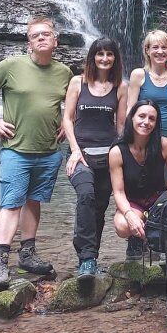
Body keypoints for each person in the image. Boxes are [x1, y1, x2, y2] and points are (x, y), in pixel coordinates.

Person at [0, 16, 74, 291]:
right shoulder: (11, 66)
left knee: (34, 200)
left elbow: (72, 102)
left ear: (56, 40)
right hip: (16, 150)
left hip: (50, 152)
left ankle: (27, 254)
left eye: (46, 34)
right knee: (11, 203)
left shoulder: (64, 72)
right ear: (29, 42)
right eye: (35, 35)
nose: (41, 38)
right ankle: (1, 260)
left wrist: (68, 123)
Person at [63, 37, 128, 279]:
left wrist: (122, 156)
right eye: (100, 54)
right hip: (81, 155)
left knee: (99, 207)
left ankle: (91, 260)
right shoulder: (77, 82)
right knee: (86, 196)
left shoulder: (120, 87)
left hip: (108, 156)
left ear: (115, 58)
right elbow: (67, 119)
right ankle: (86, 258)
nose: (104, 58)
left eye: (109, 54)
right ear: (92, 57)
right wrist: (75, 150)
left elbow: (120, 126)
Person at [110, 100, 167, 251]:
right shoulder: (117, 151)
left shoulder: (164, 144)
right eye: (141, 116)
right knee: (123, 226)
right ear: (132, 118)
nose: (146, 122)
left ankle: (159, 242)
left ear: (156, 123)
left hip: (159, 200)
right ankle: (136, 240)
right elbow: (118, 192)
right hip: (133, 202)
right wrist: (129, 215)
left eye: (152, 118)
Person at [129, 30, 167, 149]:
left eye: (164, 47)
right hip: (144, 137)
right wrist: (127, 137)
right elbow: (131, 108)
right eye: (155, 47)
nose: (160, 52)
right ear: (147, 50)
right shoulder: (138, 75)